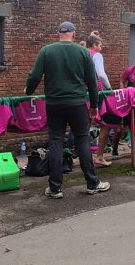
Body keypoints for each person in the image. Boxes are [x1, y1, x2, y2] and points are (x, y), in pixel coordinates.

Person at [26, 21, 110, 199]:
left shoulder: (47, 50)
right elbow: (92, 81)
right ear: (73, 34)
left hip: (54, 104)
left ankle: (55, 188)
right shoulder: (82, 52)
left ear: (59, 33)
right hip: (77, 103)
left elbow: (34, 75)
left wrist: (28, 91)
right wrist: (94, 105)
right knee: (82, 140)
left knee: (56, 140)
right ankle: (92, 183)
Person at [87, 33, 117, 167]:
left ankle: (86, 158)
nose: (101, 48)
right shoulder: (96, 55)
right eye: (100, 45)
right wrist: (109, 89)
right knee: (105, 123)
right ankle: (99, 156)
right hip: (97, 92)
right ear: (94, 45)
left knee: (84, 126)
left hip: (82, 92)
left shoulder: (81, 52)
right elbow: (101, 74)